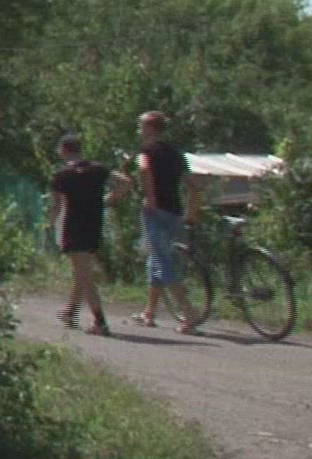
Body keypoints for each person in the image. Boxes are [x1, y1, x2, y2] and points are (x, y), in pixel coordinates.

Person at [46, 133, 130, 336]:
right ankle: (70, 312)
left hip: (74, 224)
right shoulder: (97, 169)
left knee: (84, 274)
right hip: (94, 222)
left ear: (63, 150)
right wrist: (108, 199)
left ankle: (100, 321)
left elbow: (57, 206)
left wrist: (49, 224)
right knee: (81, 270)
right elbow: (126, 182)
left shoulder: (61, 175)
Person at [129, 110, 202, 333]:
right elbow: (193, 185)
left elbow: (143, 169)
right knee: (156, 258)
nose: (139, 131)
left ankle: (188, 314)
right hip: (175, 212)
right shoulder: (177, 154)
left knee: (163, 261)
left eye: (141, 126)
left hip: (155, 212)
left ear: (150, 129)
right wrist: (192, 211)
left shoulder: (146, 152)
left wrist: (150, 199)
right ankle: (149, 312)